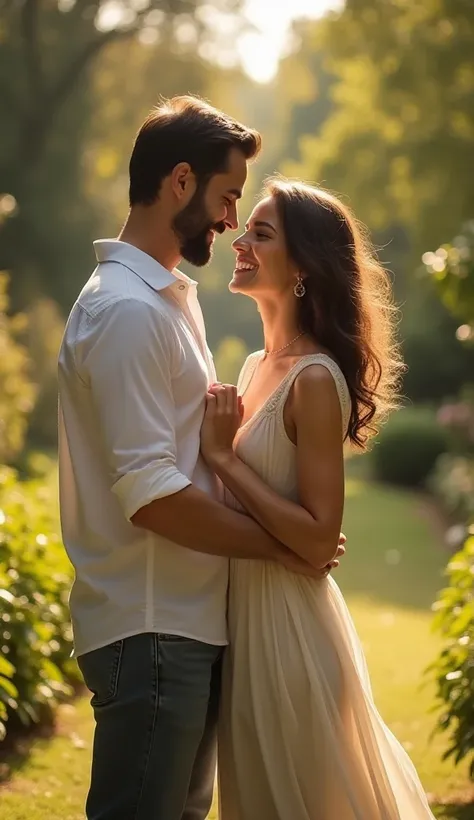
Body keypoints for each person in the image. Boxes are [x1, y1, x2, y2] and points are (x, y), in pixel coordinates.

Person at [57, 97, 343, 820]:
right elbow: (152, 495)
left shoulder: (166, 302)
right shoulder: (124, 311)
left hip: (186, 629)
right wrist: (290, 548)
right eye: (226, 198)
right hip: (152, 630)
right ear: (180, 182)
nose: (229, 221)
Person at [200, 178, 437, 820]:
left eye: (261, 234)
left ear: (302, 266)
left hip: (291, 638)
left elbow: (314, 538)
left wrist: (222, 457)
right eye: (244, 229)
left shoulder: (314, 379)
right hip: (243, 630)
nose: (238, 241)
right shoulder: (252, 368)